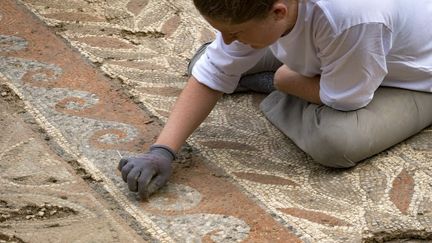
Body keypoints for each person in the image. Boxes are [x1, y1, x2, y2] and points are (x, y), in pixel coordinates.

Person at [118, 0, 432, 199]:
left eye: (236, 33)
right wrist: (162, 150)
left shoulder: (352, 17)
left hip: (413, 77)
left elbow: (347, 99)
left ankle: (273, 82)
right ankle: (282, 68)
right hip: (348, 50)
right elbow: (211, 72)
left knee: (336, 141)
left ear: (278, 11)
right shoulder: (269, 10)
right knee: (204, 67)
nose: (226, 40)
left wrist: (282, 81)